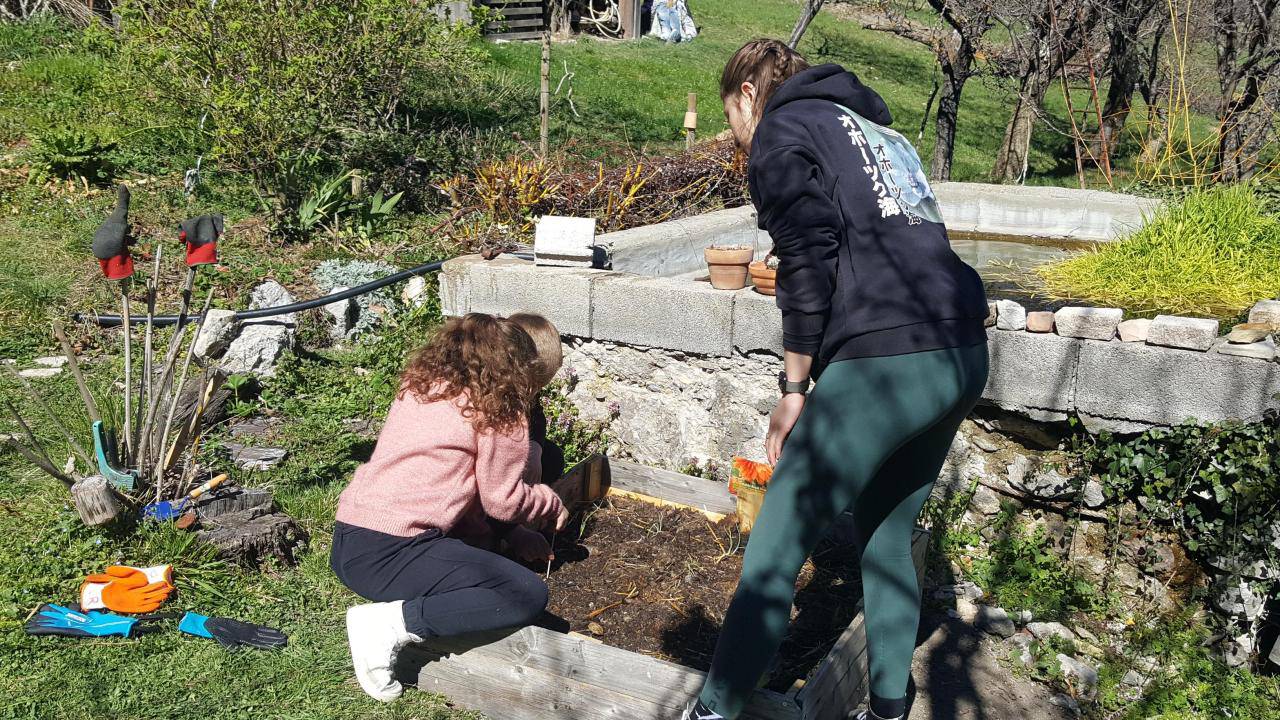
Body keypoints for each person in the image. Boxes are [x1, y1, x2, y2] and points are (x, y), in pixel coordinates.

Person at [681, 39, 991, 720]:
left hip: (886, 365)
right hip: (962, 349)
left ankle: (714, 712)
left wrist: (793, 391)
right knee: (885, 537)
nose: (737, 136)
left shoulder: (780, 130)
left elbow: (807, 260)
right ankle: (887, 707)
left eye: (733, 115)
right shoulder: (881, 134)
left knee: (776, 543)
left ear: (748, 95)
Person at [331, 312, 569, 702]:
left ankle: (391, 614)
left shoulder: (426, 386)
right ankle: (387, 626)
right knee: (524, 593)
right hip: (395, 551)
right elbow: (503, 500)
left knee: (489, 566)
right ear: (518, 369)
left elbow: (467, 489)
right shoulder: (500, 410)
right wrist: (548, 502)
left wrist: (512, 535)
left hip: (351, 542)